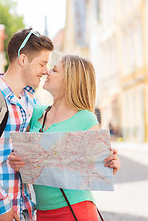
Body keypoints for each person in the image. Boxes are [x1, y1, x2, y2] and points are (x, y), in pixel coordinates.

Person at [9, 55, 121, 221]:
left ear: (70, 80)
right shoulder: (36, 112)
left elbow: (96, 169)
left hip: (76, 210)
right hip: (41, 212)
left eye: (54, 70)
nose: (47, 71)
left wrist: (111, 166)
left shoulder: (86, 119)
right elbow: (24, 157)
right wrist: (15, 160)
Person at [0, 28, 54, 221]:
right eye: (42, 63)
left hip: (25, 208)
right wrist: (1, 203)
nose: (46, 71)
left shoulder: (30, 101)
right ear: (23, 60)